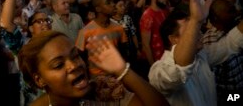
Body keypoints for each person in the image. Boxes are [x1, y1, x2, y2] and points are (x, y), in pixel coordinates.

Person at [148, 0, 243, 106]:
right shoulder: (158, 71)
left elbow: (230, 44)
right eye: (189, 29)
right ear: (173, 39)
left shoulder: (202, 55)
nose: (198, 33)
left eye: (196, 28)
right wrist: (196, 21)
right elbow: (175, 74)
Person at [17, 30, 170, 106]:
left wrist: (123, 71)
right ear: (39, 79)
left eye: (75, 55)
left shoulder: (104, 91)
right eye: (58, 65)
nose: (74, 65)